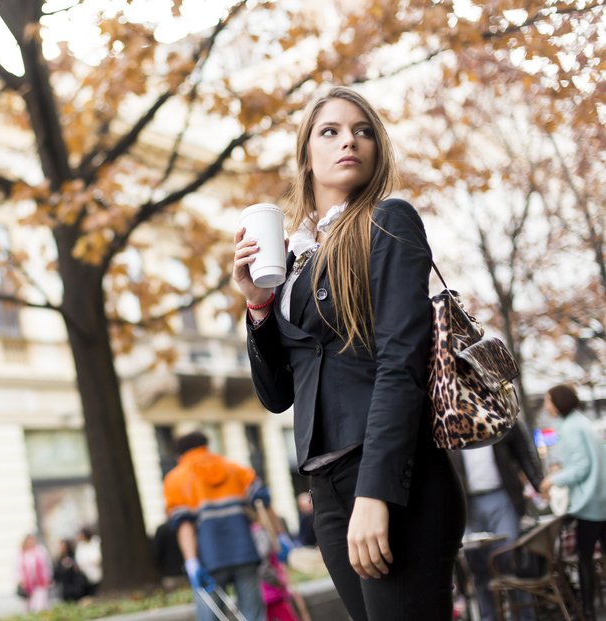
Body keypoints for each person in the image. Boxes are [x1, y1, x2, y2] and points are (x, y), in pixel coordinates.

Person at [235, 86, 466, 621]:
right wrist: (258, 307)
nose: (350, 141)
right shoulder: (295, 258)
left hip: (391, 475)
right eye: (331, 131)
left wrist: (376, 493)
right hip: (328, 487)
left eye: (363, 131)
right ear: (306, 154)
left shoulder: (387, 220)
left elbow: (400, 363)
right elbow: (277, 396)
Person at [163, 430, 293, 621]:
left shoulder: (176, 479)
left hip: (209, 560)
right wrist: (281, 536)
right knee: (254, 615)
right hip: (246, 554)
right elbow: (263, 503)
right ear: (206, 446)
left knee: (210, 615)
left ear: (179, 455)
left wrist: (191, 561)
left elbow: (184, 525)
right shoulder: (234, 468)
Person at [448, 422, 543, 621]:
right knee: (478, 567)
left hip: (501, 496)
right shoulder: (450, 416)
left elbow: (523, 450)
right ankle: (489, 617)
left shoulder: (495, 411)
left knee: (509, 558)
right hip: (467, 502)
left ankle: (525, 616)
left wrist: (538, 484)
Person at [539, 384, 606, 621]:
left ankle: (587, 611)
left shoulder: (570, 428)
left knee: (584, 558)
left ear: (558, 402)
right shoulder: (581, 422)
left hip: (590, 502)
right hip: (600, 497)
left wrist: (552, 480)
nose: (546, 406)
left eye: (548, 401)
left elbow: (581, 468)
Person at [16, 534, 52, 612]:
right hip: (28, 585)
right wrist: (20, 580)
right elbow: (17, 569)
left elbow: (47, 565)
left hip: (40, 582)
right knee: (30, 606)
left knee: (41, 604)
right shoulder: (21, 554)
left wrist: (47, 578)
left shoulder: (41, 551)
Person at [150, 520, 186, 588]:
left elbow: (156, 552)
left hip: (168, 573)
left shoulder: (162, 528)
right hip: (185, 571)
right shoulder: (185, 526)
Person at [74, 527, 102, 597]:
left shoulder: (96, 542)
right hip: (85, 575)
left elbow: (97, 557)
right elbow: (79, 560)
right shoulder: (80, 546)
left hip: (97, 573)